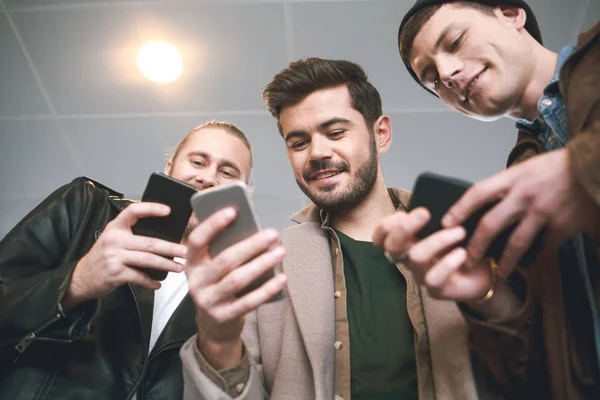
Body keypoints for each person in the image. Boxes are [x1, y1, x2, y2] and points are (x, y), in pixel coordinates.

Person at [179, 58, 507, 400]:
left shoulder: (461, 238)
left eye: (335, 132)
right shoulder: (263, 263)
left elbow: (531, 365)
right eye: (299, 142)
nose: (318, 152)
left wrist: (489, 295)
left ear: (380, 134)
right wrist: (217, 342)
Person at [379, 1, 600, 398]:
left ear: (511, 14)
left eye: (456, 41)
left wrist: (582, 172)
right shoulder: (518, 185)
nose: (446, 74)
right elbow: (537, 373)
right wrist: (486, 293)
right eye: (432, 79)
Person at [0, 120, 254, 400]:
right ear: (169, 168)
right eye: (197, 162)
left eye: (227, 172)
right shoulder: (86, 207)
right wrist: (78, 280)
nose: (207, 178)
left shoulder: (236, 287)